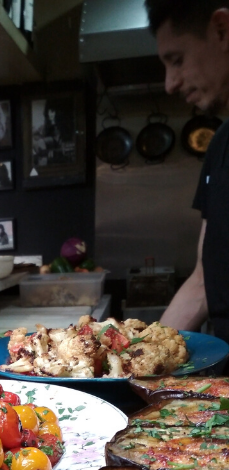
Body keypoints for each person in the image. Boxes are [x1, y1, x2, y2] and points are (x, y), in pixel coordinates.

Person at [146, 0, 229, 342]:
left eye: (177, 60)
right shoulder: (220, 146)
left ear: (222, 30)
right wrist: (138, 355)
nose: (170, 84)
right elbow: (203, 281)